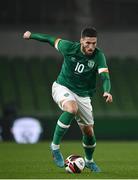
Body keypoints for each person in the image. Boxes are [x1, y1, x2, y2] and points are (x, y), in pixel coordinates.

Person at [23, 27, 113, 172]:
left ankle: (89, 161)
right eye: (88, 43)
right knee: (72, 109)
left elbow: (105, 77)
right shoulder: (68, 47)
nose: (91, 46)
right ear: (81, 41)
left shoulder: (98, 55)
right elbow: (49, 39)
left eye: (94, 43)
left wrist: (107, 91)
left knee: (89, 133)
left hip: (83, 95)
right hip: (62, 87)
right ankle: (55, 147)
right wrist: (31, 35)